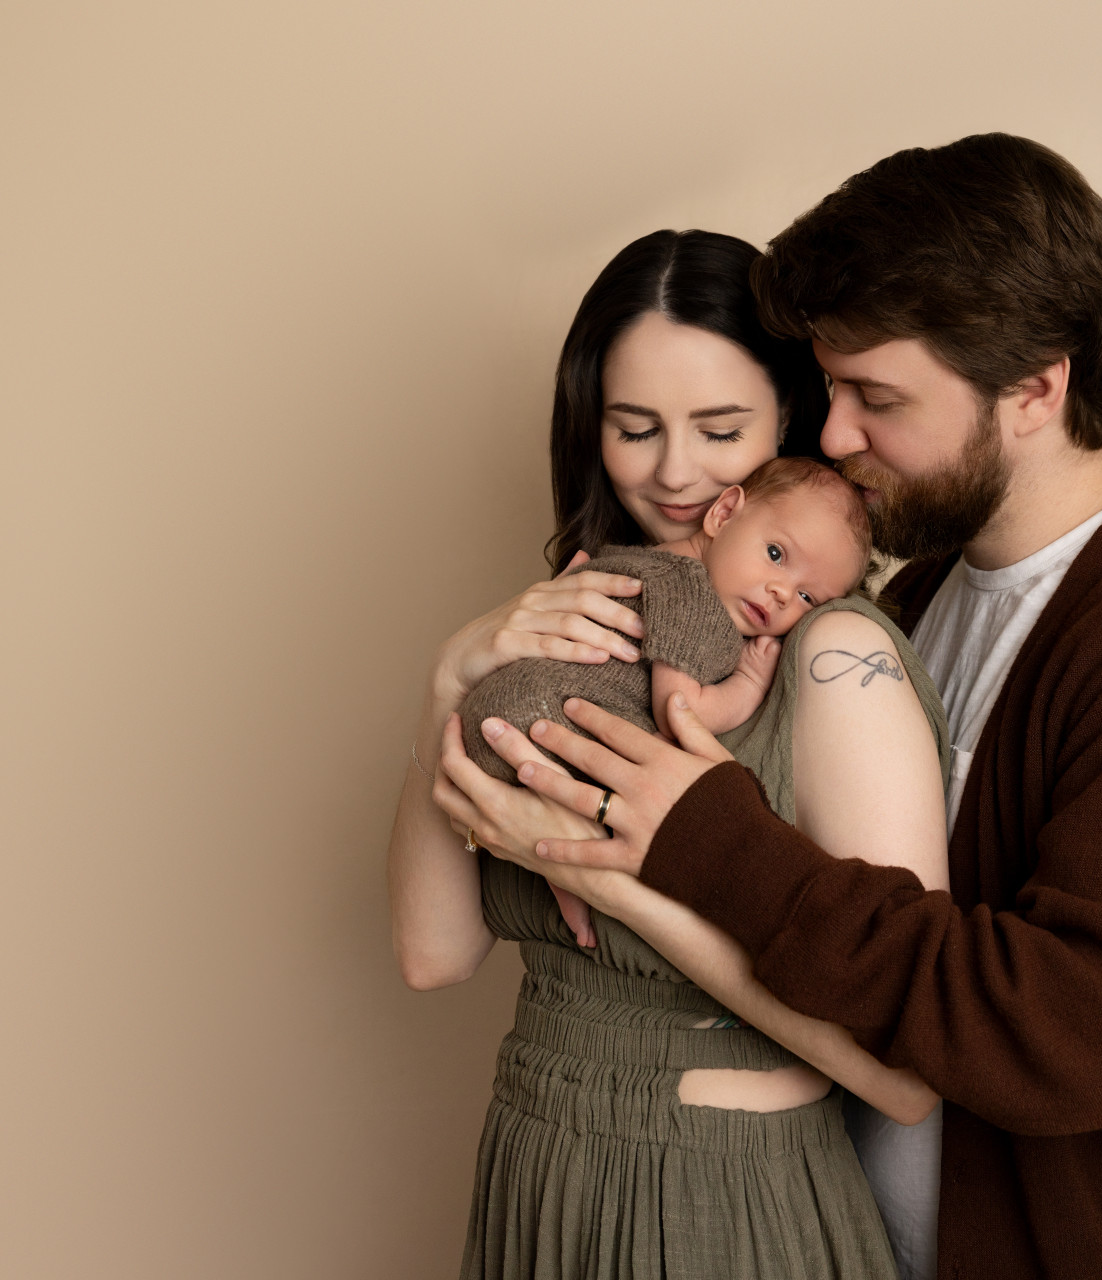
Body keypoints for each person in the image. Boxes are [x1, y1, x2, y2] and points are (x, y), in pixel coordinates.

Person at [444, 135, 1102, 1280]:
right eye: (832, 386)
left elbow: (1069, 1039)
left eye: (876, 397)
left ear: (1035, 388)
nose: (836, 435)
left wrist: (705, 839)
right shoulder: (915, 592)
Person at [388, 228, 954, 1280]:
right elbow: (434, 954)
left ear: (788, 420)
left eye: (722, 428)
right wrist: (448, 677)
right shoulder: (585, 617)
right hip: (536, 1175)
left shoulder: (830, 657)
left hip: (718, 1199)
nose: (677, 471)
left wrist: (612, 867)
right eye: (634, 427)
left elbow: (907, 1069)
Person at [457, 456, 873, 946]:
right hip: (534, 723)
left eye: (808, 599)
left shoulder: (650, 558)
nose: (782, 593)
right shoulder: (692, 592)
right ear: (723, 513)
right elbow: (679, 715)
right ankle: (568, 878)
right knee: (605, 821)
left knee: (567, 817)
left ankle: (558, 875)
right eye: (777, 554)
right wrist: (750, 683)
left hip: (495, 711)